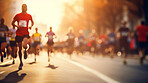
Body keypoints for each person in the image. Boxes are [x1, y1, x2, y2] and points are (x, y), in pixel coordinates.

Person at [12, 4, 34, 70]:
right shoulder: (18, 15)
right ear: (21, 8)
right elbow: (12, 22)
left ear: (26, 8)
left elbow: (32, 22)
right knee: (19, 48)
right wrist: (16, 26)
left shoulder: (29, 16)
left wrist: (30, 26)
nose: (24, 8)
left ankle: (25, 51)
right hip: (19, 33)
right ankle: (21, 62)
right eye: (22, 7)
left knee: (24, 45)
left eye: (25, 7)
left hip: (25, 33)